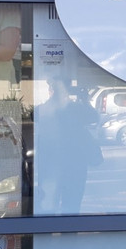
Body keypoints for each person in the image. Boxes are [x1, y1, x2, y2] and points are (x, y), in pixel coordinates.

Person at [35, 78, 101, 214]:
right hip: (71, 166)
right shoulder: (75, 109)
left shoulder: (44, 110)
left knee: (50, 208)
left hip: (55, 166)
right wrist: (84, 100)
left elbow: (93, 117)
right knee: (70, 207)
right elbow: (93, 117)